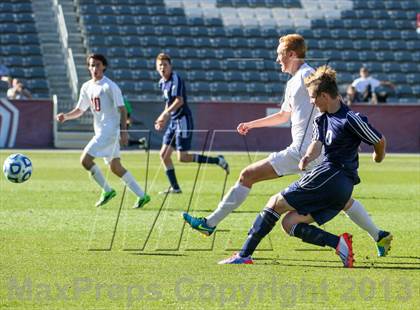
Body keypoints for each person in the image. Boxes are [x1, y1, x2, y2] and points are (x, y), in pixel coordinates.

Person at [183, 34, 392, 257]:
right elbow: (284, 115)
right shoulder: (293, 81)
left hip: (303, 151)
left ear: (291, 54)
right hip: (312, 154)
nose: (277, 60)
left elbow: (329, 92)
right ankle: (379, 236)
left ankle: (213, 225)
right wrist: (252, 125)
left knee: (248, 175)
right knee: (342, 200)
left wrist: (340, 127)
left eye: (280, 54)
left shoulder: (306, 74)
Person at [218, 66, 387, 267]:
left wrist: (378, 157)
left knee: (274, 204)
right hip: (336, 186)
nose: (311, 101)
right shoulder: (321, 119)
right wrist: (307, 157)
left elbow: (379, 139)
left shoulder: (350, 118)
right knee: (289, 224)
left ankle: (244, 255)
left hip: (332, 176)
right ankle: (339, 244)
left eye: (313, 97)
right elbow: (316, 144)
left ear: (324, 95)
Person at [56, 54, 150, 208]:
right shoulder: (87, 87)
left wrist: (124, 132)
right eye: (92, 65)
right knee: (115, 167)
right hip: (101, 131)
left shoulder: (110, 86)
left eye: (97, 65)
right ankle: (142, 195)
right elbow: (80, 109)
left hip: (109, 131)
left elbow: (123, 110)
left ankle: (107, 190)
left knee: (85, 160)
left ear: (104, 67)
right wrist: (65, 117)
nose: (94, 68)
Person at [155, 53, 229, 194]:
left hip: (183, 120)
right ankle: (175, 188)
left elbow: (179, 101)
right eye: (160, 65)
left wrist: (164, 114)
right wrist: (163, 118)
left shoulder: (176, 79)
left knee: (183, 157)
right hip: (173, 121)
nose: (162, 67)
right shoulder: (162, 82)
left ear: (170, 66)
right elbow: (168, 103)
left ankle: (217, 161)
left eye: (165, 64)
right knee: (164, 155)